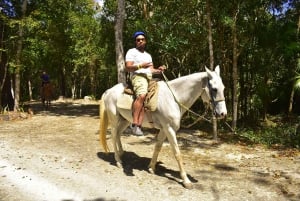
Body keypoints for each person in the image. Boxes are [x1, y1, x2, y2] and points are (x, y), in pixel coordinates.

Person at [125, 31, 165, 136]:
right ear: (135, 42)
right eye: (138, 40)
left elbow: (151, 69)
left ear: (145, 41)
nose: (140, 41)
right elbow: (128, 67)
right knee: (142, 96)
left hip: (149, 78)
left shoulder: (148, 55)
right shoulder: (131, 52)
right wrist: (140, 66)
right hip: (138, 76)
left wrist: (159, 70)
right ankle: (134, 125)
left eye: (142, 39)